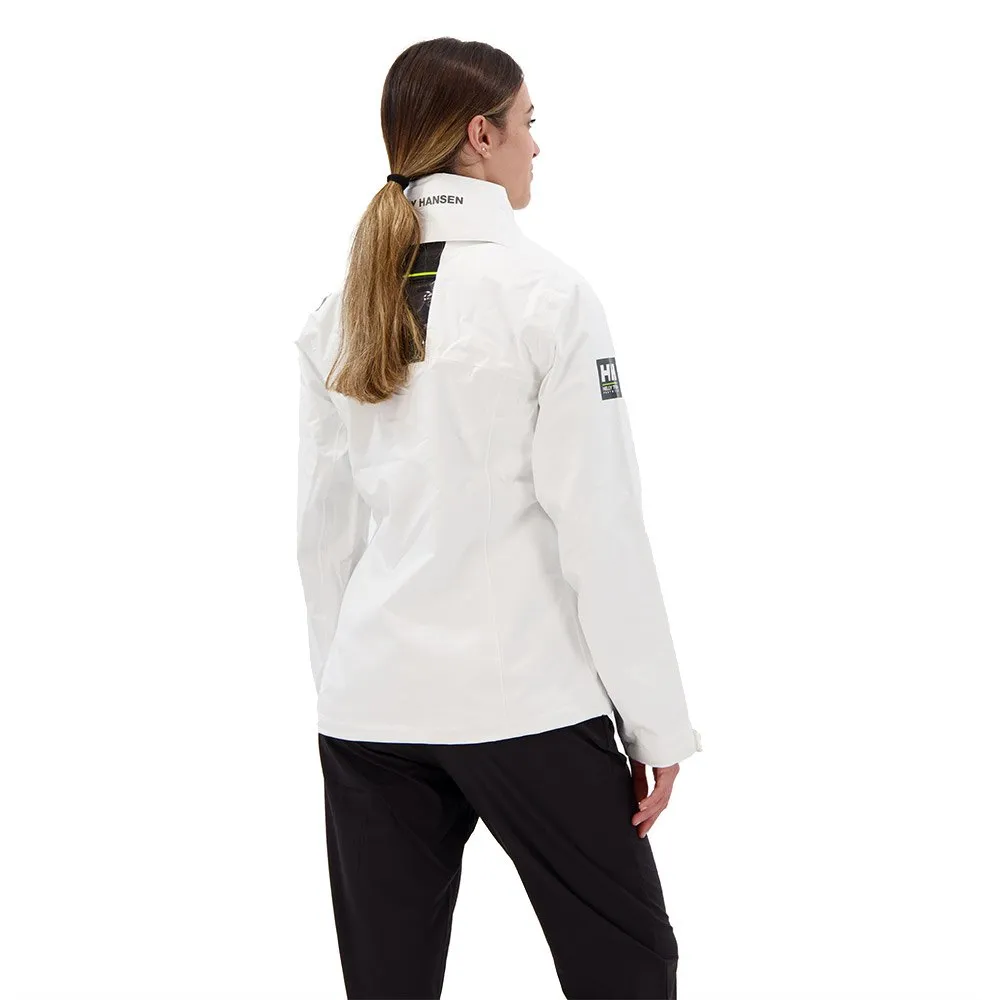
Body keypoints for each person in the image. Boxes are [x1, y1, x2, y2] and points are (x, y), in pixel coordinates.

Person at [294, 36, 703, 1000]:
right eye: (528, 122)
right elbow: (601, 526)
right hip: (523, 700)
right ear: (480, 136)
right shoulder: (548, 298)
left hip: (370, 711)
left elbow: (323, 538)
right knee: (630, 968)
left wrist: (354, 687)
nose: (536, 145)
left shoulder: (341, 308)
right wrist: (657, 728)